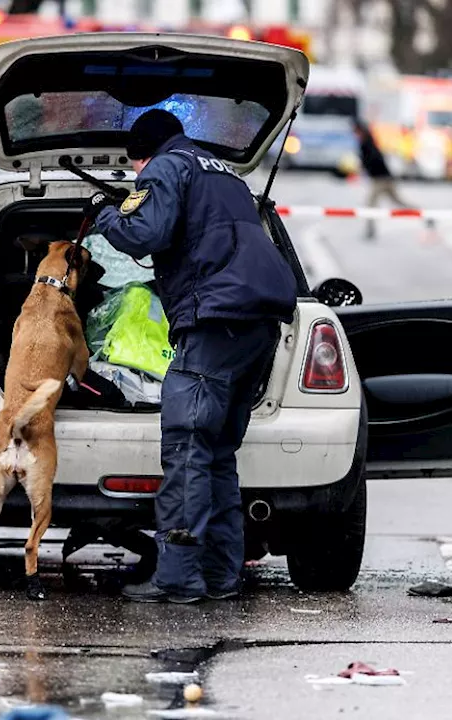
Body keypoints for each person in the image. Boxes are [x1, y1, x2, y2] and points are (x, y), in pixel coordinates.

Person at [87, 109, 298, 603]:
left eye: (136, 168)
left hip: (215, 319)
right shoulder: (225, 172)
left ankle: (179, 578)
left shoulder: (164, 167)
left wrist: (106, 212)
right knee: (217, 453)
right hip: (258, 323)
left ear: (142, 154)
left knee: (186, 447)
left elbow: (144, 235)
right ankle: (223, 576)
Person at [354, 120, 417, 239]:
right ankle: (423, 214)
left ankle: (370, 230)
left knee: (371, 205)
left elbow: (372, 160)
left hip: (380, 179)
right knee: (398, 201)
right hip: (384, 177)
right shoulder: (369, 141)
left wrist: (362, 166)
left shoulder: (366, 143)